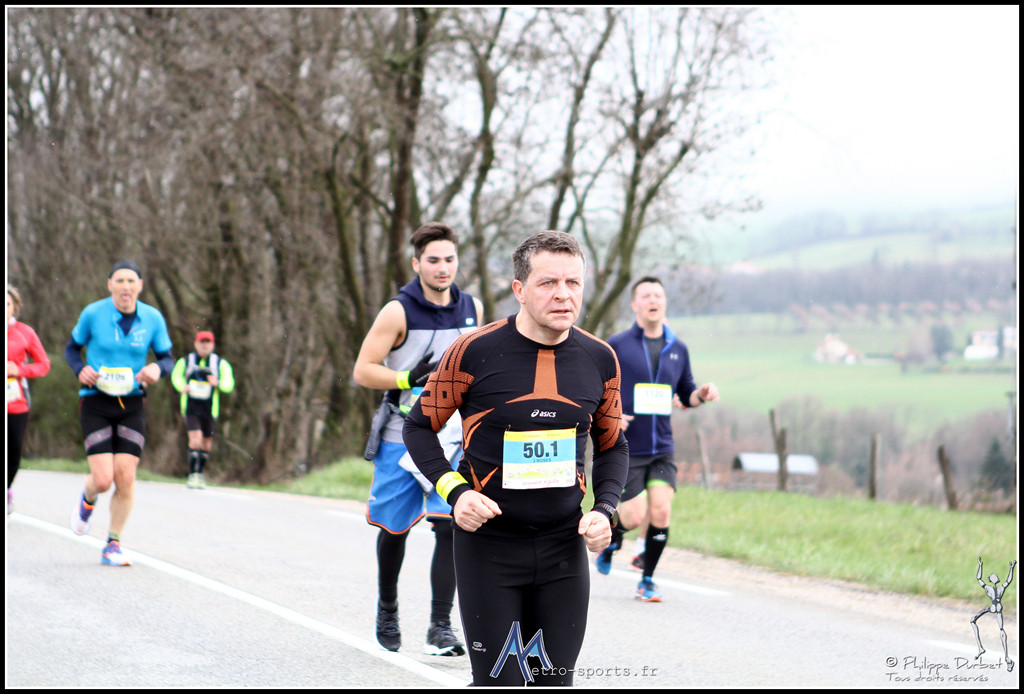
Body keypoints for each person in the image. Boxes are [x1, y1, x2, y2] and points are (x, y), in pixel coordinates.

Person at [402, 230, 628, 686]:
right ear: (520, 290)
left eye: (573, 282)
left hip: (563, 549)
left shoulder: (600, 358)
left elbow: (612, 445)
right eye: (548, 283)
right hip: (489, 548)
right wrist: (456, 494)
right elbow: (418, 428)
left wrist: (604, 510)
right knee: (500, 682)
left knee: (552, 682)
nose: (563, 294)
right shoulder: (473, 352)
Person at [352, 222, 483, 656]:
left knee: (450, 524)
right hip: (402, 434)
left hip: (453, 437)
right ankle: (387, 609)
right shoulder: (398, 311)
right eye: (433, 260)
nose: (443, 268)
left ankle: (440, 626)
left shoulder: (473, 307)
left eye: (449, 259)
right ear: (416, 264)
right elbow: (363, 370)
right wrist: (409, 377)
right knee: (395, 530)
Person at [597, 276, 719, 601]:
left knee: (661, 513)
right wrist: (610, 415)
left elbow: (687, 393)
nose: (653, 300)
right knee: (634, 516)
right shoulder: (617, 345)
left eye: (658, 295)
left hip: (663, 448)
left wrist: (702, 394)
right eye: (646, 295)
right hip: (628, 448)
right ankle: (612, 538)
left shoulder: (678, 348)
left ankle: (647, 579)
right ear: (634, 304)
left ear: (664, 303)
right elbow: (597, 386)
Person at [65, 259, 174, 566]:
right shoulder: (93, 313)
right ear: (109, 285)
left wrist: (157, 369)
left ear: (140, 286)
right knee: (102, 480)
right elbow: (71, 349)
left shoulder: (152, 318)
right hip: (95, 401)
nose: (126, 287)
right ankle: (87, 500)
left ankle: (113, 544)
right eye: (120, 281)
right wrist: (80, 369)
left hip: (132, 403)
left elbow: (168, 358)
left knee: (125, 476)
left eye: (131, 281)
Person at [171, 330, 235, 489]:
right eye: (202, 342)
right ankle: (193, 474)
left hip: (210, 409)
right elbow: (175, 376)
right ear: (196, 344)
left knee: (206, 444)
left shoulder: (220, 364)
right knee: (195, 440)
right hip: (191, 408)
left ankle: (200, 473)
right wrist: (182, 386)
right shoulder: (186, 361)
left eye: (208, 342)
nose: (204, 345)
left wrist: (218, 383)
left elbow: (229, 384)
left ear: (213, 345)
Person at [7, 285, 52, 514]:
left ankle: (7, 488)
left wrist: (19, 370)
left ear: (14, 308)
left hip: (16, 402)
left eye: (7, 304)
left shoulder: (25, 332)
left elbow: (44, 364)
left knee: (13, 451)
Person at [971, 556, 1016, 671]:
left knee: (999, 628)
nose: (994, 576)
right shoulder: (994, 588)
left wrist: (1012, 568)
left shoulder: (991, 589)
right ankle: (1004, 657)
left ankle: (1004, 657)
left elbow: (979, 579)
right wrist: (980, 565)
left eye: (994, 576)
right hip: (997, 606)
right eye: (992, 576)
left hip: (993, 607)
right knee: (1000, 629)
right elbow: (979, 578)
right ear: (991, 579)